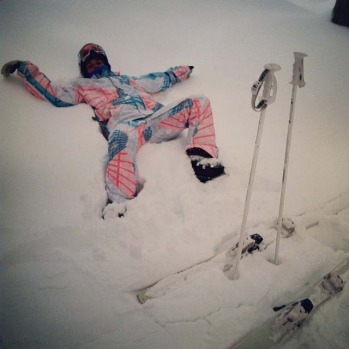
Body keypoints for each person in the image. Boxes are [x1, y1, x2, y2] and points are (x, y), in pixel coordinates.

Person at [1, 43, 225, 217]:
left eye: (97, 61)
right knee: (119, 138)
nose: (94, 66)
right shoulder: (82, 87)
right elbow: (54, 94)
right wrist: (25, 69)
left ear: (105, 61)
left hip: (155, 120)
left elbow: (159, 80)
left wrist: (182, 70)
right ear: (83, 71)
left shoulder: (128, 81)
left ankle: (203, 161)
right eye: (89, 65)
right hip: (127, 127)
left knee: (198, 102)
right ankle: (120, 203)